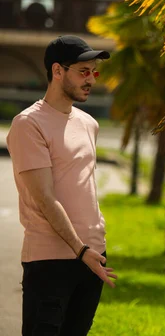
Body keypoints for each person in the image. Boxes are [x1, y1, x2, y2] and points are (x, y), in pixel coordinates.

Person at [6, 35, 118, 336]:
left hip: (93, 256)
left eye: (94, 72)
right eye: (83, 71)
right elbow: (44, 197)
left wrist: (93, 248)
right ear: (58, 71)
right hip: (51, 260)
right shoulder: (29, 124)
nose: (91, 79)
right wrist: (81, 250)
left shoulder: (88, 123)